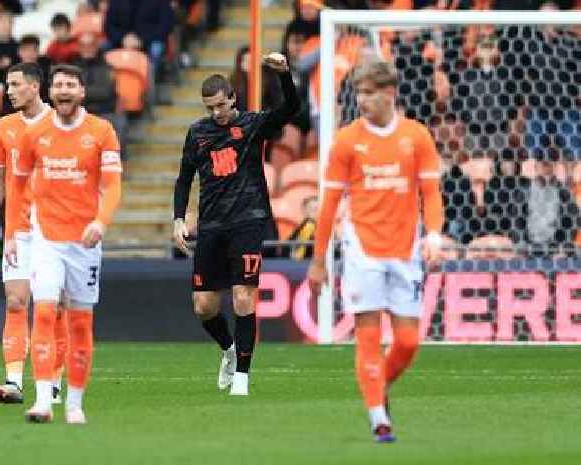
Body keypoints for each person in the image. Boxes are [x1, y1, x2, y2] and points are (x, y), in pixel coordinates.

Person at [306, 60, 444, 443]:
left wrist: (433, 234)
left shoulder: (416, 137)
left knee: (408, 341)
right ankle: (378, 417)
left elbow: (431, 193)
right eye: (358, 93)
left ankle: (376, 385)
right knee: (368, 335)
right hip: (361, 249)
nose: (361, 101)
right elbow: (330, 203)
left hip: (405, 249)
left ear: (388, 94)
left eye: (368, 93)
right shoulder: (348, 141)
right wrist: (318, 261)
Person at [172, 52, 299, 396]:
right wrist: (178, 218)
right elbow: (184, 179)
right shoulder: (198, 134)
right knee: (204, 306)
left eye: (220, 106)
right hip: (211, 225)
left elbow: (291, 110)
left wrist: (285, 75)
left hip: (248, 221)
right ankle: (229, 349)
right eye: (209, 108)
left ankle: (242, 376)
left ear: (233, 99)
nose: (216, 113)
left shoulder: (252, 124)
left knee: (244, 298)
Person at [5, 64, 122, 424]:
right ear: (50, 92)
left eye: (71, 84)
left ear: (82, 92)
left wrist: (101, 222)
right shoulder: (35, 133)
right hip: (46, 240)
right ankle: (42, 401)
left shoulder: (101, 131)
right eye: (58, 85)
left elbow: (113, 184)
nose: (64, 90)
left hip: (85, 244)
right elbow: (17, 184)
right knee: (43, 311)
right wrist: (12, 232)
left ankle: (75, 404)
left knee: (80, 324)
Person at [0, 62, 67, 405]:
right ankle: (13, 381)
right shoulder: (5, 127)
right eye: (7, 85)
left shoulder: (60, 123)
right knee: (16, 302)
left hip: (55, 231)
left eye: (14, 84)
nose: (9, 90)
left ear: (34, 86)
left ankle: (53, 382)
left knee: (53, 307)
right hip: (18, 232)